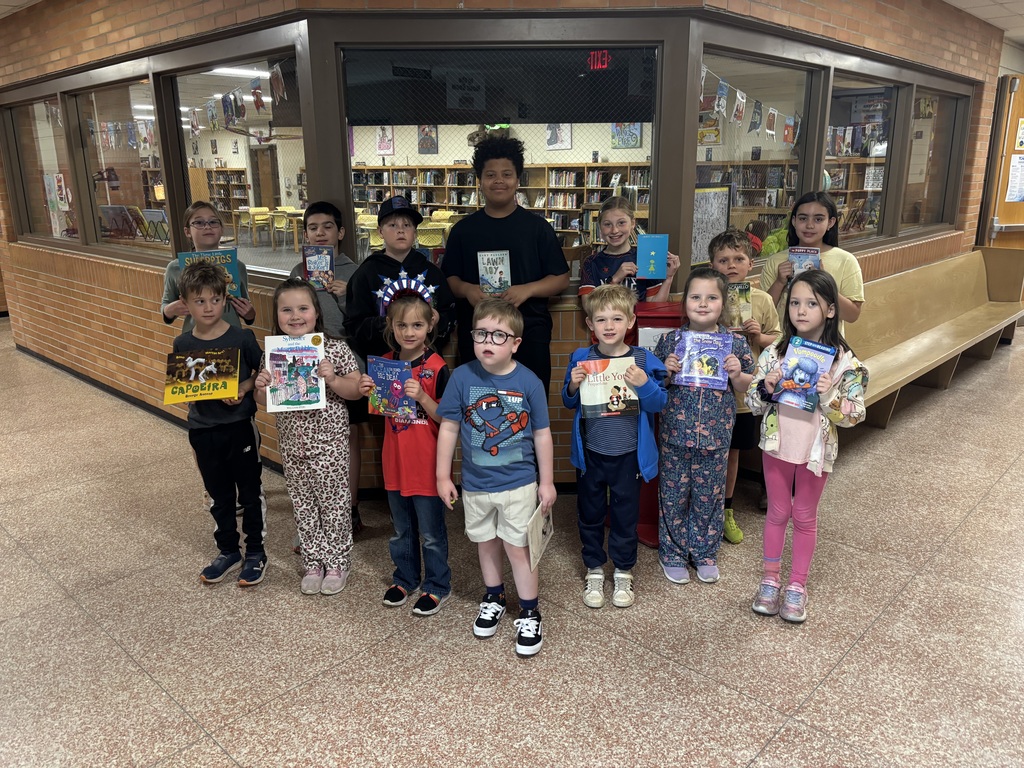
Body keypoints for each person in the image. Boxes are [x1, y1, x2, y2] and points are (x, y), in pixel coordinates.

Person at [746, 270, 868, 623]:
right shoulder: (776, 352)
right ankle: (770, 580)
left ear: (830, 310)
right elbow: (754, 400)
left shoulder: (846, 363)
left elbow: (854, 415)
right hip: (777, 445)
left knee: (803, 516)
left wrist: (829, 396)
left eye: (811, 304)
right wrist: (766, 388)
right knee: (778, 512)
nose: (801, 311)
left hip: (815, 452)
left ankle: (797, 586)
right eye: (795, 303)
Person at [436, 299, 556, 657]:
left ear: (516, 342)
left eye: (498, 335)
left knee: (518, 548)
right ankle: (494, 597)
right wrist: (444, 476)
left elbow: (542, 435)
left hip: (519, 485)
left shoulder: (528, 381)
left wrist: (546, 482)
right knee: (485, 543)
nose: (488, 340)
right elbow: (449, 428)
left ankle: (530, 610)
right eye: (481, 333)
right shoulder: (462, 377)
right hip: (475, 486)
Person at [561, 284, 667, 609]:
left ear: (631, 321)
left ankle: (623, 570)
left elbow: (659, 403)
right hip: (591, 455)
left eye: (617, 318)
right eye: (601, 319)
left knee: (624, 516)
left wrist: (644, 384)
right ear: (590, 324)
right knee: (589, 514)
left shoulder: (642, 360)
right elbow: (568, 402)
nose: (609, 326)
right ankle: (594, 567)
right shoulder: (581, 358)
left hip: (628, 457)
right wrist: (573, 385)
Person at [254, 278, 362, 595]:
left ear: (316, 312)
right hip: (293, 447)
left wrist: (333, 379)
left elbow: (355, 391)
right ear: (277, 316)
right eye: (286, 309)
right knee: (303, 507)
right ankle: (313, 562)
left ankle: (338, 563)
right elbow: (264, 403)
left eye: (303, 308)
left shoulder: (335, 349)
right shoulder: (273, 353)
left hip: (330, 447)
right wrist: (261, 387)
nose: (295, 315)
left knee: (334, 506)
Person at [442, 136, 570, 393]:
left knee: (529, 410)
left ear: (518, 179)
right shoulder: (463, 231)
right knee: (479, 412)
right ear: (480, 181)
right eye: (490, 174)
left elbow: (561, 278)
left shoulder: (537, 228)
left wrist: (528, 289)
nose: (498, 180)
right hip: (479, 336)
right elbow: (449, 279)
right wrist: (467, 289)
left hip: (528, 335)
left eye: (506, 174)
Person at [654, 266, 754, 585]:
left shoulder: (734, 343)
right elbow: (655, 387)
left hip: (716, 435)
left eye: (711, 297)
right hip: (674, 436)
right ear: (685, 302)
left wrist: (737, 373)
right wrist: (666, 371)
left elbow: (747, 385)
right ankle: (672, 552)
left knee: (708, 496)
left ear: (723, 303)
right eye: (695, 297)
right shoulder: (671, 340)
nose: (702, 303)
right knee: (672, 495)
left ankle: (705, 551)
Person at [172, 261, 266, 586]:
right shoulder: (182, 344)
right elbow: (186, 392)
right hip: (202, 430)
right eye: (199, 301)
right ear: (186, 304)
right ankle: (228, 550)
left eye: (215, 299)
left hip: (239, 427)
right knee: (219, 496)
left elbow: (264, 373)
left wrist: (243, 387)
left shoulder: (242, 338)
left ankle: (255, 551)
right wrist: (196, 394)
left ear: (225, 299)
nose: (208, 307)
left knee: (250, 493)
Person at [358, 293, 452, 615]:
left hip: (427, 465)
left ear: (429, 326)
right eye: (401, 325)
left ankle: (438, 584)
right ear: (391, 327)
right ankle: (405, 578)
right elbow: (382, 409)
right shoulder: (385, 365)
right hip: (395, 462)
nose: (409, 332)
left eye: (417, 324)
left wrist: (423, 398)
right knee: (401, 529)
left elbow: (447, 417)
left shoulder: (437, 367)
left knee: (431, 533)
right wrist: (367, 389)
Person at [290, 201, 367, 534]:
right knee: (311, 433)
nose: (320, 233)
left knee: (349, 433)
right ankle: (316, 509)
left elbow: (369, 320)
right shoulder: (298, 271)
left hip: (348, 355)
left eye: (327, 227)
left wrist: (349, 294)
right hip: (307, 357)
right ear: (305, 233)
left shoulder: (357, 271)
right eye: (312, 228)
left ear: (341, 232)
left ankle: (349, 507)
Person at [708, 228, 781, 544]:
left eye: (739, 258)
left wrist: (758, 336)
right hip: (708, 391)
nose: (731, 265)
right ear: (713, 265)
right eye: (723, 260)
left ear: (751, 264)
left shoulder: (762, 300)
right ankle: (703, 507)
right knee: (709, 450)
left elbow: (778, 343)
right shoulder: (708, 297)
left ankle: (726, 509)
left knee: (732, 452)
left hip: (742, 394)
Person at [345, 196, 455, 363]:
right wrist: (389, 323)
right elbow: (354, 325)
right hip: (383, 362)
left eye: (407, 225)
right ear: (380, 231)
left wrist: (438, 319)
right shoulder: (365, 273)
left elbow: (449, 313)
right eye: (392, 225)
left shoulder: (432, 272)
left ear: (415, 233)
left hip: (425, 363)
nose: (400, 230)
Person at [760, 192, 864, 330]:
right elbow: (762, 313)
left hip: (824, 347)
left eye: (818, 219)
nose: (809, 225)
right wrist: (779, 283)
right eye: (803, 218)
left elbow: (852, 315)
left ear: (831, 223)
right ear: (793, 221)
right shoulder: (775, 261)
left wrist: (825, 283)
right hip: (783, 344)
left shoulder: (845, 260)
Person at [162, 201, 256, 333]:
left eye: (213, 222)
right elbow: (166, 308)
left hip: (232, 341)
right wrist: (170, 310)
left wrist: (249, 313)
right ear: (187, 231)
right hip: (195, 342)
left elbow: (246, 309)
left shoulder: (237, 266)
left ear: (221, 229)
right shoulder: (175, 268)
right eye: (199, 223)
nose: (207, 227)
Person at [578, 196, 680, 303]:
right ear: (600, 227)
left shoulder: (645, 259)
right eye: (607, 224)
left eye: (621, 223)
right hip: (607, 320)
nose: (615, 230)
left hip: (638, 319)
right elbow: (589, 307)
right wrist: (614, 280)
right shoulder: (591, 263)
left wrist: (669, 277)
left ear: (633, 224)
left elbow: (654, 305)